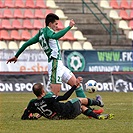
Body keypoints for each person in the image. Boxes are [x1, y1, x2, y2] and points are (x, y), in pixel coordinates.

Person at [6, 13, 86, 97]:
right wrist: (69, 27)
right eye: (56, 24)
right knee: (54, 95)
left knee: (77, 85)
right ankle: (40, 106)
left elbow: (27, 43)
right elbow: (56, 36)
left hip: (59, 64)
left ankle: (86, 109)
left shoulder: (41, 33)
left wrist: (16, 56)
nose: (57, 26)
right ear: (50, 24)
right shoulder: (48, 31)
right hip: (54, 64)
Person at [21, 77, 114, 120]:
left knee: (81, 107)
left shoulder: (32, 103)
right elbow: (65, 97)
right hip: (66, 110)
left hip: (61, 118)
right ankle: (98, 102)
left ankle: (97, 116)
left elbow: (24, 117)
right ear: (42, 92)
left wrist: (32, 116)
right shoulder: (48, 97)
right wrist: (75, 86)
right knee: (80, 100)